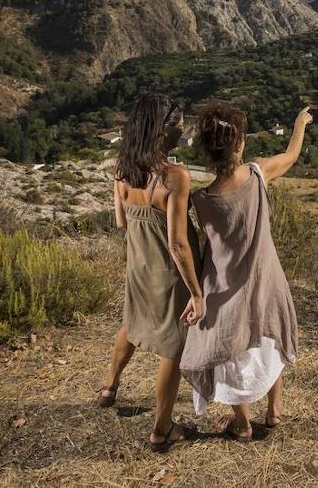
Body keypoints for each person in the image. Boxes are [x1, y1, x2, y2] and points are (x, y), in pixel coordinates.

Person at [180, 100, 311, 440]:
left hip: (224, 285)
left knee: (230, 353)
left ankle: (242, 422)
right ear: (239, 145)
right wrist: (299, 124)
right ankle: (273, 409)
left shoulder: (201, 199)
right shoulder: (257, 173)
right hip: (266, 278)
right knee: (270, 340)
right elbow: (291, 156)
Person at [94, 93, 205, 453]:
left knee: (133, 321)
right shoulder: (174, 176)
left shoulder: (122, 170)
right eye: (179, 123)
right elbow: (177, 244)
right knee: (173, 346)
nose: (183, 129)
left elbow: (120, 221)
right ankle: (162, 429)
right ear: (164, 129)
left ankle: (109, 387)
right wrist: (198, 292)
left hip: (138, 265)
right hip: (170, 274)